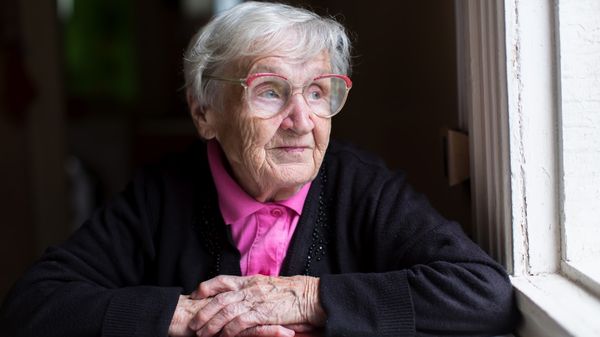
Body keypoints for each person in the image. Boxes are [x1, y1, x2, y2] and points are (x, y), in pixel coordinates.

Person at [0, 2, 517, 337]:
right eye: (269, 91)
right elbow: (34, 307)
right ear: (205, 113)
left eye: (318, 92)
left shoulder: (361, 185)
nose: (301, 120)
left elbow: (482, 294)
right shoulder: (162, 194)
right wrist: (187, 315)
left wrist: (305, 297)